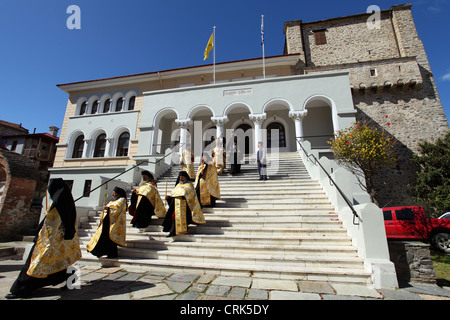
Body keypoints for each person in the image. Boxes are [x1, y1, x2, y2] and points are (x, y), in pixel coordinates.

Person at [6, 178, 81, 299]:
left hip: (49, 242)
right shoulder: (61, 202)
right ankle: (68, 276)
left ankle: (21, 289)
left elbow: (67, 223)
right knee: (50, 264)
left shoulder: (62, 204)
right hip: (46, 239)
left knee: (34, 264)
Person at [87, 187, 127, 259]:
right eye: (113, 192)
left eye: (114, 192)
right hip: (107, 222)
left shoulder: (122, 200)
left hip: (113, 223)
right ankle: (100, 252)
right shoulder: (113, 201)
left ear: (119, 194)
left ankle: (111, 254)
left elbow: (118, 209)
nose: (113, 194)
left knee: (110, 239)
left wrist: (108, 208)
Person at [162, 171, 205, 237]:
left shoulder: (189, 185)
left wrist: (184, 194)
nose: (181, 179)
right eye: (180, 177)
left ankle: (173, 232)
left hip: (185, 205)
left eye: (182, 177)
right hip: (175, 205)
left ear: (185, 177)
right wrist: (169, 197)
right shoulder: (178, 185)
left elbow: (191, 195)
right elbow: (174, 194)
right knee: (173, 217)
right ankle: (171, 231)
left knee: (179, 218)